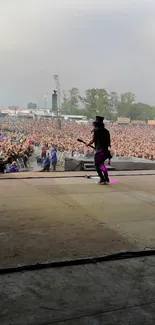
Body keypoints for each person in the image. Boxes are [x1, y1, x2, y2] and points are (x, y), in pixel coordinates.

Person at [87, 116, 111, 184]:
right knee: (102, 164)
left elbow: (94, 140)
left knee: (96, 165)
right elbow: (108, 142)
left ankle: (102, 179)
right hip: (105, 151)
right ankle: (106, 178)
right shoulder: (106, 131)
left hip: (99, 151)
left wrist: (89, 144)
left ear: (97, 124)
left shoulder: (96, 130)